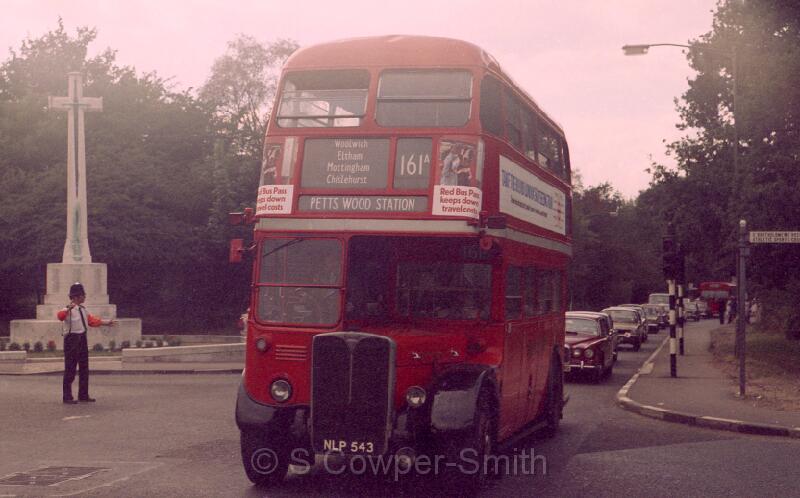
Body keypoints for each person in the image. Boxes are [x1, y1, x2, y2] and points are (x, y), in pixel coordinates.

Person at [57, 282, 115, 404]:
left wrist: (106, 323)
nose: (85, 297)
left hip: (82, 338)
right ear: (76, 296)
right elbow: (60, 316)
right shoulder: (67, 309)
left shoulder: (83, 310)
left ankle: (83, 395)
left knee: (84, 368)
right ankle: (67, 396)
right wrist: (68, 308)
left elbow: (91, 321)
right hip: (71, 339)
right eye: (83, 295)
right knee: (70, 368)